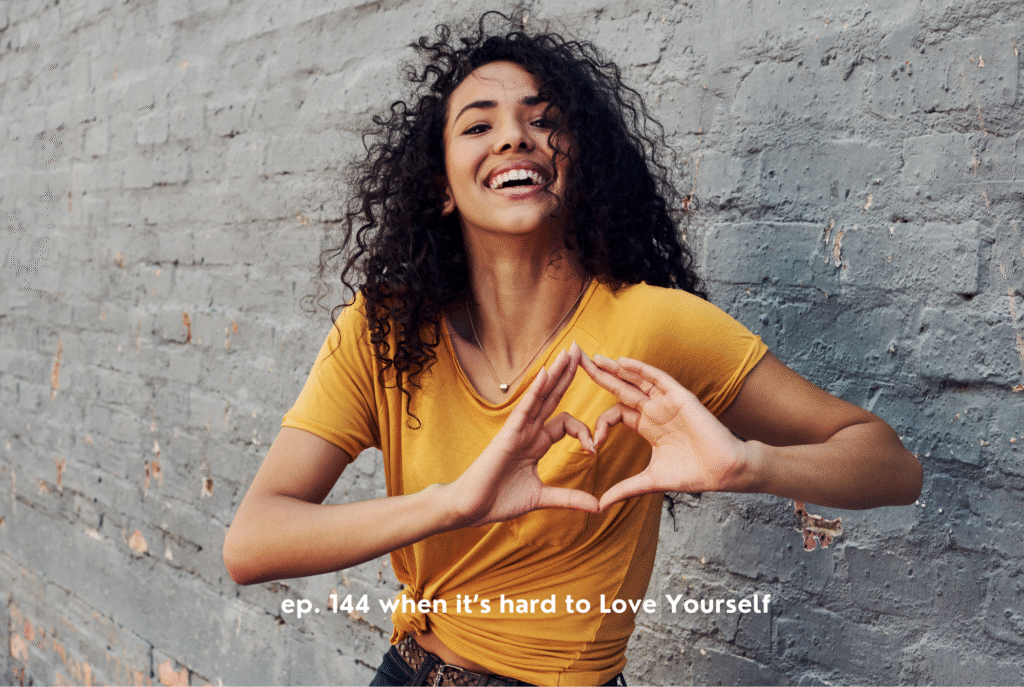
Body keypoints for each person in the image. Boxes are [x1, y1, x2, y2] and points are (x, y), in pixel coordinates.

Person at [223, 13, 923, 686]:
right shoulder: (386, 330)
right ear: (440, 184)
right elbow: (253, 542)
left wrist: (752, 464)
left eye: (544, 120)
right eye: (479, 125)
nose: (513, 138)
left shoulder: (656, 326)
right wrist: (455, 501)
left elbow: (892, 467)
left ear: (578, 160)